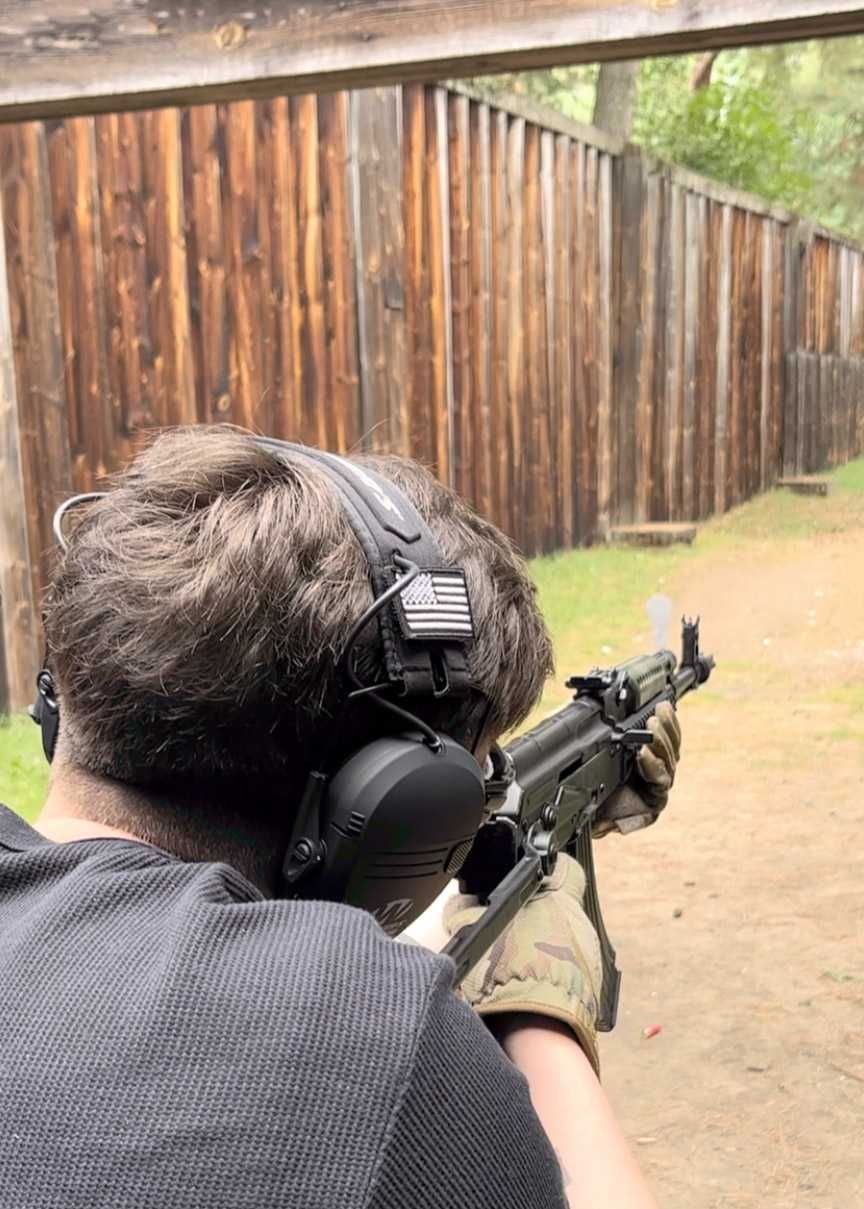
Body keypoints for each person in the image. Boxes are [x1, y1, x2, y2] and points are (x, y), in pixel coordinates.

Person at [0, 427, 680, 1209]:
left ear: (64, 703)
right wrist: (541, 1003)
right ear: (398, 811)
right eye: (472, 783)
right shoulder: (384, 1048)